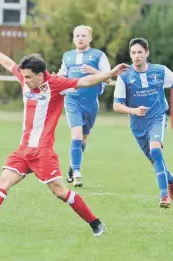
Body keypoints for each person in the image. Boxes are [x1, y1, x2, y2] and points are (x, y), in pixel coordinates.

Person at [0, 40, 129, 236]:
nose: (24, 80)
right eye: (23, 76)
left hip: (42, 151)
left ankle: (95, 223)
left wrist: (111, 73)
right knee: (2, 183)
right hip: (23, 149)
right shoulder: (25, 77)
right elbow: (8, 62)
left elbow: (85, 81)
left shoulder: (57, 84)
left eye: (28, 77)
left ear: (40, 74)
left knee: (60, 192)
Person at [113, 37, 173, 208]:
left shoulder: (160, 71)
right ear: (130, 55)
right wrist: (133, 111)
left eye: (140, 52)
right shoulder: (124, 76)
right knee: (155, 160)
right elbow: (116, 105)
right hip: (137, 125)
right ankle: (170, 180)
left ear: (147, 53)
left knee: (155, 151)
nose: (137, 56)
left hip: (157, 118)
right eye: (133, 53)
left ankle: (164, 196)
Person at [58, 25, 112, 187]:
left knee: (84, 137)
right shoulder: (67, 56)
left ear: (90, 38)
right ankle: (77, 172)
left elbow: (109, 79)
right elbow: (62, 76)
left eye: (83, 35)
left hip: (91, 102)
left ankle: (72, 166)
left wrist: (94, 71)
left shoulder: (98, 55)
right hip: (72, 100)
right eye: (77, 36)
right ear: (73, 38)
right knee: (76, 134)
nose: (80, 38)